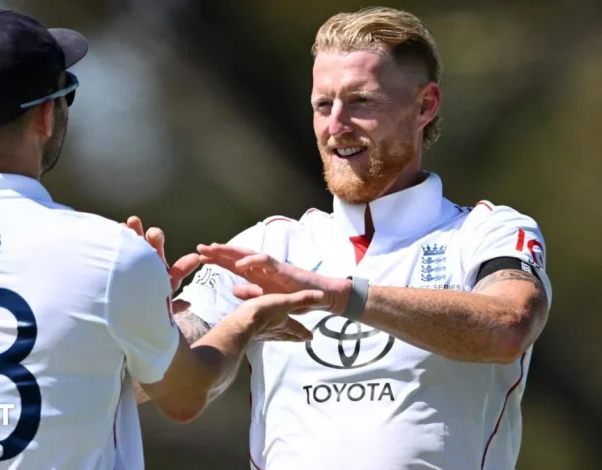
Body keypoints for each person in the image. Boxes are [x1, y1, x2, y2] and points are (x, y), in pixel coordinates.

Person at [0, 8, 332, 470]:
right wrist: (243, 320)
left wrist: (133, 314)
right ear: (44, 117)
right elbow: (184, 395)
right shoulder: (107, 254)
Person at [132, 6, 552, 470]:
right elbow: (163, 386)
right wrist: (139, 322)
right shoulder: (268, 245)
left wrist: (340, 295)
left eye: (361, 102)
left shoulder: (485, 232)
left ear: (425, 105)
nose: (336, 125)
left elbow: (509, 326)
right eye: (322, 105)